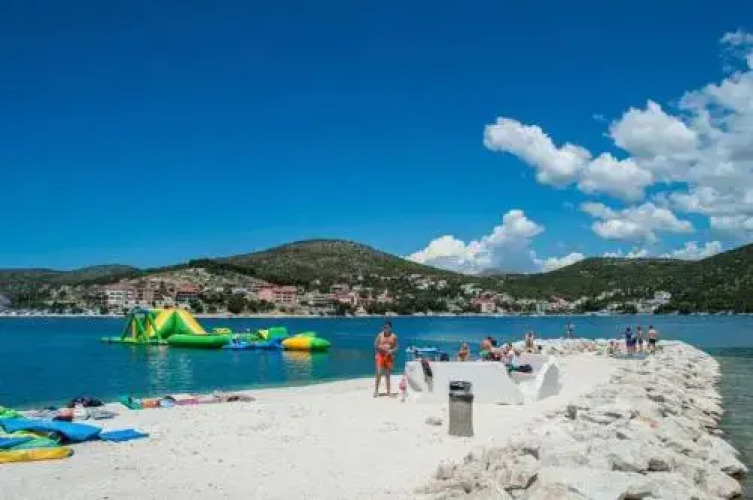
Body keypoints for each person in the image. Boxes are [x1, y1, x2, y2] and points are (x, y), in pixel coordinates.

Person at [373, 322, 398, 397]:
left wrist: (392, 351)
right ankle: (376, 391)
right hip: (380, 355)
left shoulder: (394, 336)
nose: (386, 329)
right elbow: (375, 344)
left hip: (388, 356)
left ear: (390, 328)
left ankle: (388, 392)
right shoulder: (380, 335)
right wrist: (377, 352)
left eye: (387, 327)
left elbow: (396, 347)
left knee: (387, 375)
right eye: (385, 327)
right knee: (379, 373)